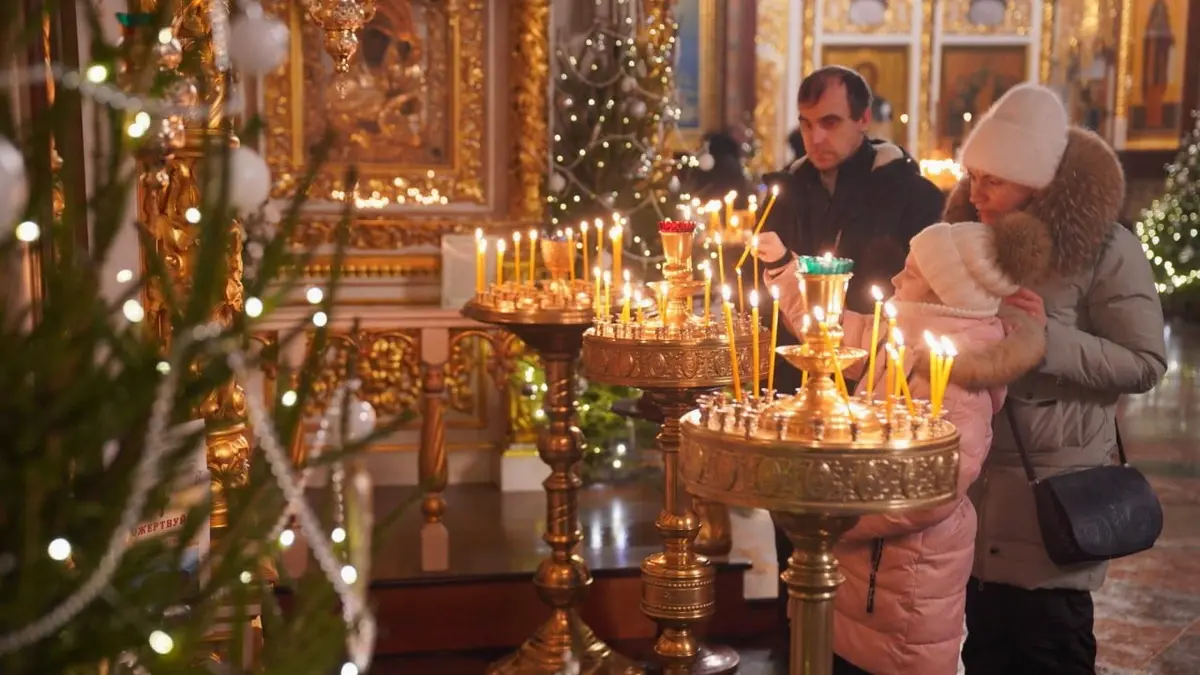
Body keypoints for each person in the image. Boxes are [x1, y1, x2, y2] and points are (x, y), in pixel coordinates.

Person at [941, 83, 1168, 674]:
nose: (975, 192)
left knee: (1050, 650)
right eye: (973, 176)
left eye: (993, 180)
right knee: (985, 651)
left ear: (1035, 181)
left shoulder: (1105, 249)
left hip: (1054, 501)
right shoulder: (968, 242)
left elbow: (1145, 361)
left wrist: (1047, 339)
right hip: (976, 493)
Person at [769, 219, 1050, 675]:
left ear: (944, 292)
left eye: (913, 272)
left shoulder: (958, 377)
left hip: (903, 580)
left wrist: (833, 519)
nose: (898, 278)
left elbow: (932, 493)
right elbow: (828, 332)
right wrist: (785, 268)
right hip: (865, 566)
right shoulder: (903, 334)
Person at [756, 64, 947, 617]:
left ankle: (843, 644)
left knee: (858, 542)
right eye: (806, 123)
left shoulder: (911, 195)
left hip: (872, 383)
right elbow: (769, 290)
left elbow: (920, 293)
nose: (815, 137)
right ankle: (794, 634)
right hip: (795, 381)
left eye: (830, 122)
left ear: (864, 119)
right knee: (791, 522)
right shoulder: (786, 192)